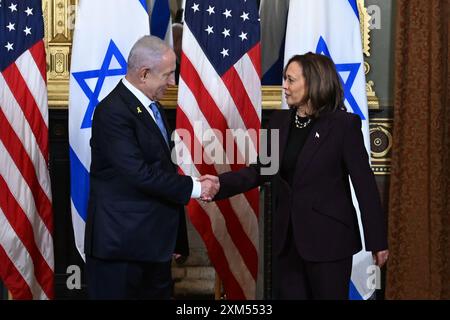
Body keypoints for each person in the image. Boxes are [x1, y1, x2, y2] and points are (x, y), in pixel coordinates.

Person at [201, 52, 389, 299]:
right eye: (284, 79)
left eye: (290, 80)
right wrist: (220, 184)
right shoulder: (278, 121)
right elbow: (260, 170)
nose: (284, 86)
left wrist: (377, 241)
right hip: (287, 242)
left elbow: (364, 186)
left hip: (329, 242)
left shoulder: (344, 125)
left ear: (312, 83)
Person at [84, 35, 218, 299]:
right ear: (144, 74)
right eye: (168, 75)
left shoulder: (151, 108)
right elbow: (139, 175)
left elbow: (162, 170)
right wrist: (196, 187)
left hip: (153, 247)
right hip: (121, 251)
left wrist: (176, 239)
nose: (173, 82)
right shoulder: (112, 112)